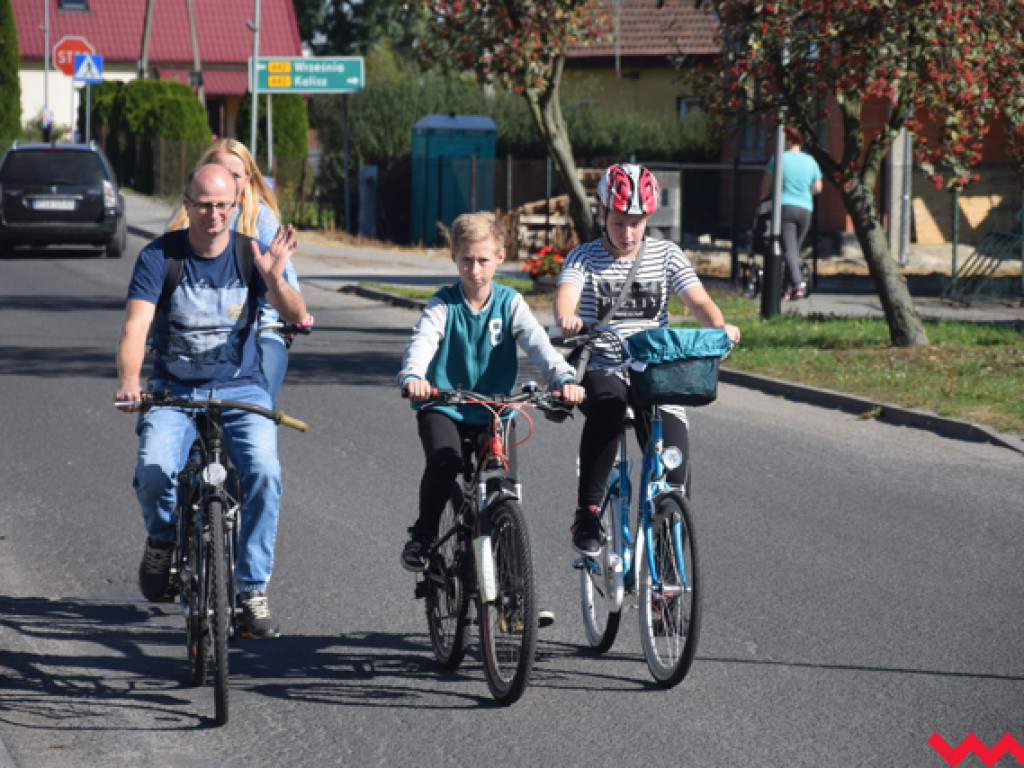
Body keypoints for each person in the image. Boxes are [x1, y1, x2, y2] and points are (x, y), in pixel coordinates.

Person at [115, 163, 307, 638]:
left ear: (236, 206)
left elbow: (299, 317)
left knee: (264, 472)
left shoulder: (251, 255)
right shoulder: (160, 257)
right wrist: (129, 380)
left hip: (241, 388)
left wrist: (277, 280)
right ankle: (162, 538)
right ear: (187, 204)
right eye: (204, 204)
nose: (214, 214)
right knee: (155, 473)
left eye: (223, 205)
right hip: (173, 389)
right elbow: (136, 326)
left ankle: (251, 590)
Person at [555, 163, 741, 557]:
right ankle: (587, 512)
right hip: (604, 363)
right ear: (603, 213)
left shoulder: (666, 255)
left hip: (653, 369)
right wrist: (568, 318)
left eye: (637, 223)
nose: (627, 233)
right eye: (620, 221)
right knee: (608, 409)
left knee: (674, 465)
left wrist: (718, 328)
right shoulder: (583, 258)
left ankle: (667, 564)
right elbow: (566, 297)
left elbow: (699, 301)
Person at [397, 211, 586, 571]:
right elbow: (423, 340)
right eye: (466, 260)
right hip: (444, 405)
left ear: (500, 257)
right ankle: (422, 535)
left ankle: (516, 592)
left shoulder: (510, 303)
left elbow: (539, 344)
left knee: (504, 485)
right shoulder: (443, 304)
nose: (475, 270)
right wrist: (414, 376)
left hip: (495, 409)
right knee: (446, 460)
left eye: (484, 260)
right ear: (454, 256)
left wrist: (563, 379)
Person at [168, 138, 313, 403]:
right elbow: (161, 275)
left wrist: (293, 307)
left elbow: (286, 285)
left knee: (254, 407)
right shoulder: (185, 214)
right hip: (198, 329)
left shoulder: (261, 218)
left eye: (234, 175)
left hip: (260, 332)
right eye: (219, 173)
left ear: (248, 180)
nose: (226, 183)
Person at [760, 126, 823, 300]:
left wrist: (762, 198)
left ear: (787, 140)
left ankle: (797, 284)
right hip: (805, 209)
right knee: (794, 249)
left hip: (785, 207)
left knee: (789, 250)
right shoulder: (810, 161)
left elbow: (766, 186)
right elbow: (818, 187)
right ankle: (787, 289)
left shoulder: (779, 159)